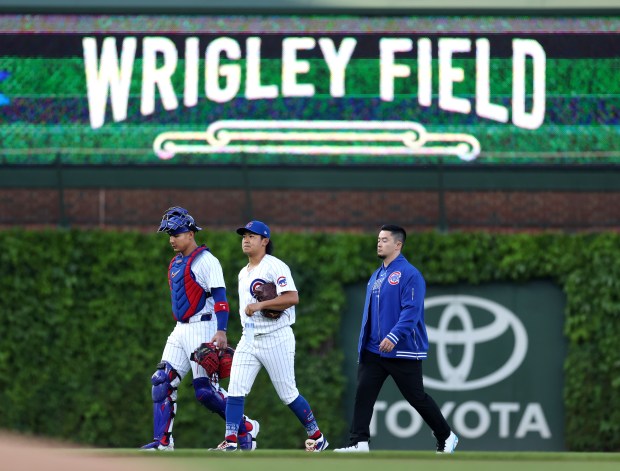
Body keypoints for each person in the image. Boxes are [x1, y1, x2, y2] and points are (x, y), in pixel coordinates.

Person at [141, 207, 259, 451]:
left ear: (191, 233)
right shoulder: (176, 263)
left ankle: (245, 427)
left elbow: (221, 299)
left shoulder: (207, 261)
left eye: (176, 233)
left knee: (205, 392)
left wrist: (222, 331)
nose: (171, 239)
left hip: (204, 327)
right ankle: (163, 443)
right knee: (162, 382)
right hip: (180, 329)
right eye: (169, 235)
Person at [334, 224, 458, 453]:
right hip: (374, 350)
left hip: (402, 349)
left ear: (398, 244)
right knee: (363, 394)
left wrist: (394, 335)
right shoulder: (377, 275)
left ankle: (446, 435)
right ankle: (358, 442)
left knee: (416, 398)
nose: (379, 243)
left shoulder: (410, 274)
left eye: (385, 240)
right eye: (378, 239)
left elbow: (412, 311)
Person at [212, 220, 328, 452]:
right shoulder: (243, 273)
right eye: (244, 235)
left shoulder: (275, 266)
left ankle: (317, 437)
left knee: (288, 393)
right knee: (235, 389)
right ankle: (231, 442)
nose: (246, 239)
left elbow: (292, 297)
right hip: (249, 337)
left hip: (277, 337)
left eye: (252, 236)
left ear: (265, 241)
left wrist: (261, 304)